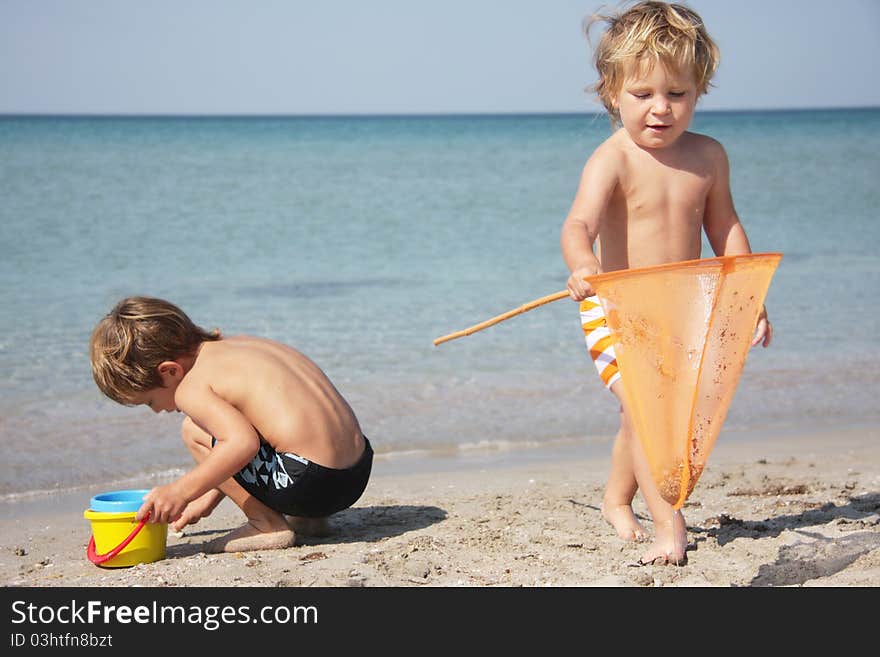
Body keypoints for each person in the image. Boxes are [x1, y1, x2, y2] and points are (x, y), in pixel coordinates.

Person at [560, 1, 772, 565]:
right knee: (649, 412)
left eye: (677, 94)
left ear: (698, 90)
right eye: (643, 94)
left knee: (641, 415)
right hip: (616, 310)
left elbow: (724, 226)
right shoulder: (613, 159)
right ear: (611, 92)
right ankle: (668, 527)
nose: (660, 109)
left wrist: (747, 298)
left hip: (680, 312)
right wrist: (582, 264)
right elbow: (578, 223)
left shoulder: (708, 158)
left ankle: (615, 499)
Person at [89, 296, 373, 554]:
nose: (159, 411)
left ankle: (265, 524)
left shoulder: (190, 388)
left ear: (169, 371)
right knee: (249, 427)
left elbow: (242, 444)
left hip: (311, 485)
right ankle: (312, 520)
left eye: (150, 401)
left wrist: (180, 491)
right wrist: (207, 498)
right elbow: (262, 428)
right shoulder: (242, 346)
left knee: (194, 430)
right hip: (355, 472)